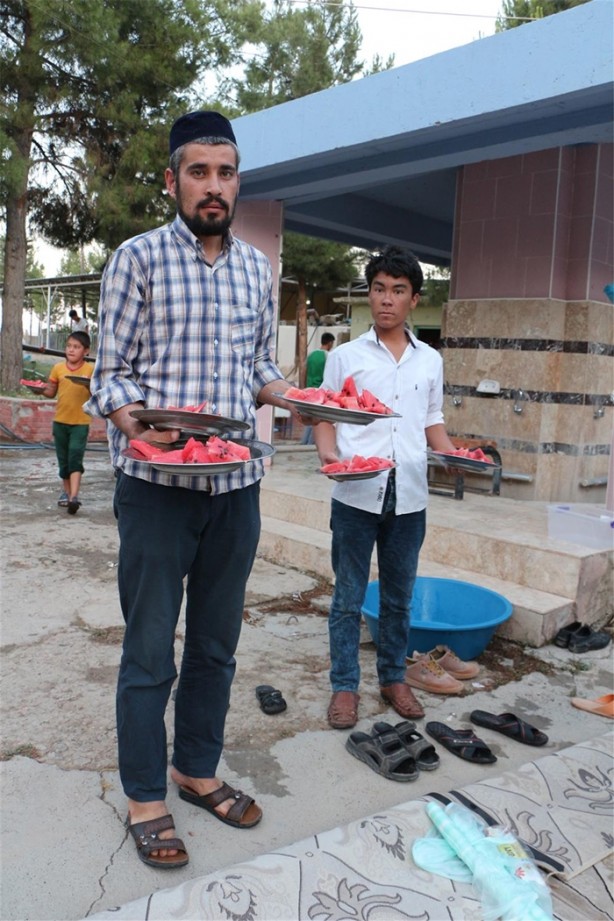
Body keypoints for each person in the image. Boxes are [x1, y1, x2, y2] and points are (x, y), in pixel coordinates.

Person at [85, 110, 299, 870]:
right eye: (199, 171)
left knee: (216, 644)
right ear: (173, 179)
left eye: (227, 172)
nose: (214, 186)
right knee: (150, 648)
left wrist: (294, 396)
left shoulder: (255, 269)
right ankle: (146, 793)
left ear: (239, 181)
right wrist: (138, 423)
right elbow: (110, 376)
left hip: (235, 483)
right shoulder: (136, 259)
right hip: (156, 486)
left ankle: (196, 768)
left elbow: (259, 368)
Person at [313, 245, 459, 730]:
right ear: (370, 294)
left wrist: (455, 455)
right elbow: (325, 416)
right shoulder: (347, 357)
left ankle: (394, 677)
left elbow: (432, 421)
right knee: (347, 598)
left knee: (399, 596)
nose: (386, 300)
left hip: (410, 493)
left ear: (414, 299)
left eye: (398, 291)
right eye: (379, 289)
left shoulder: (430, 361)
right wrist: (328, 455)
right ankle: (344, 686)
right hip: (356, 490)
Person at [40, 331, 93, 515]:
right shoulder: (58, 368)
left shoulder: (90, 371)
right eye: (69, 346)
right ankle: (68, 493)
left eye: (76, 347)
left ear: (86, 351)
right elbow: (50, 391)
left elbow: (96, 395)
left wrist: (89, 385)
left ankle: (74, 497)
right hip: (60, 422)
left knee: (75, 458)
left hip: (81, 423)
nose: (71, 350)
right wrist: (38, 390)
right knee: (63, 461)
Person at [300, 332, 335, 445]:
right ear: (330, 343)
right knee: (317, 421)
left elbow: (303, 371)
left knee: (309, 418)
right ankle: (310, 444)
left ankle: (304, 443)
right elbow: (329, 375)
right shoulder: (328, 356)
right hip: (321, 392)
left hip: (309, 390)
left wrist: (302, 387)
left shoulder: (311, 354)